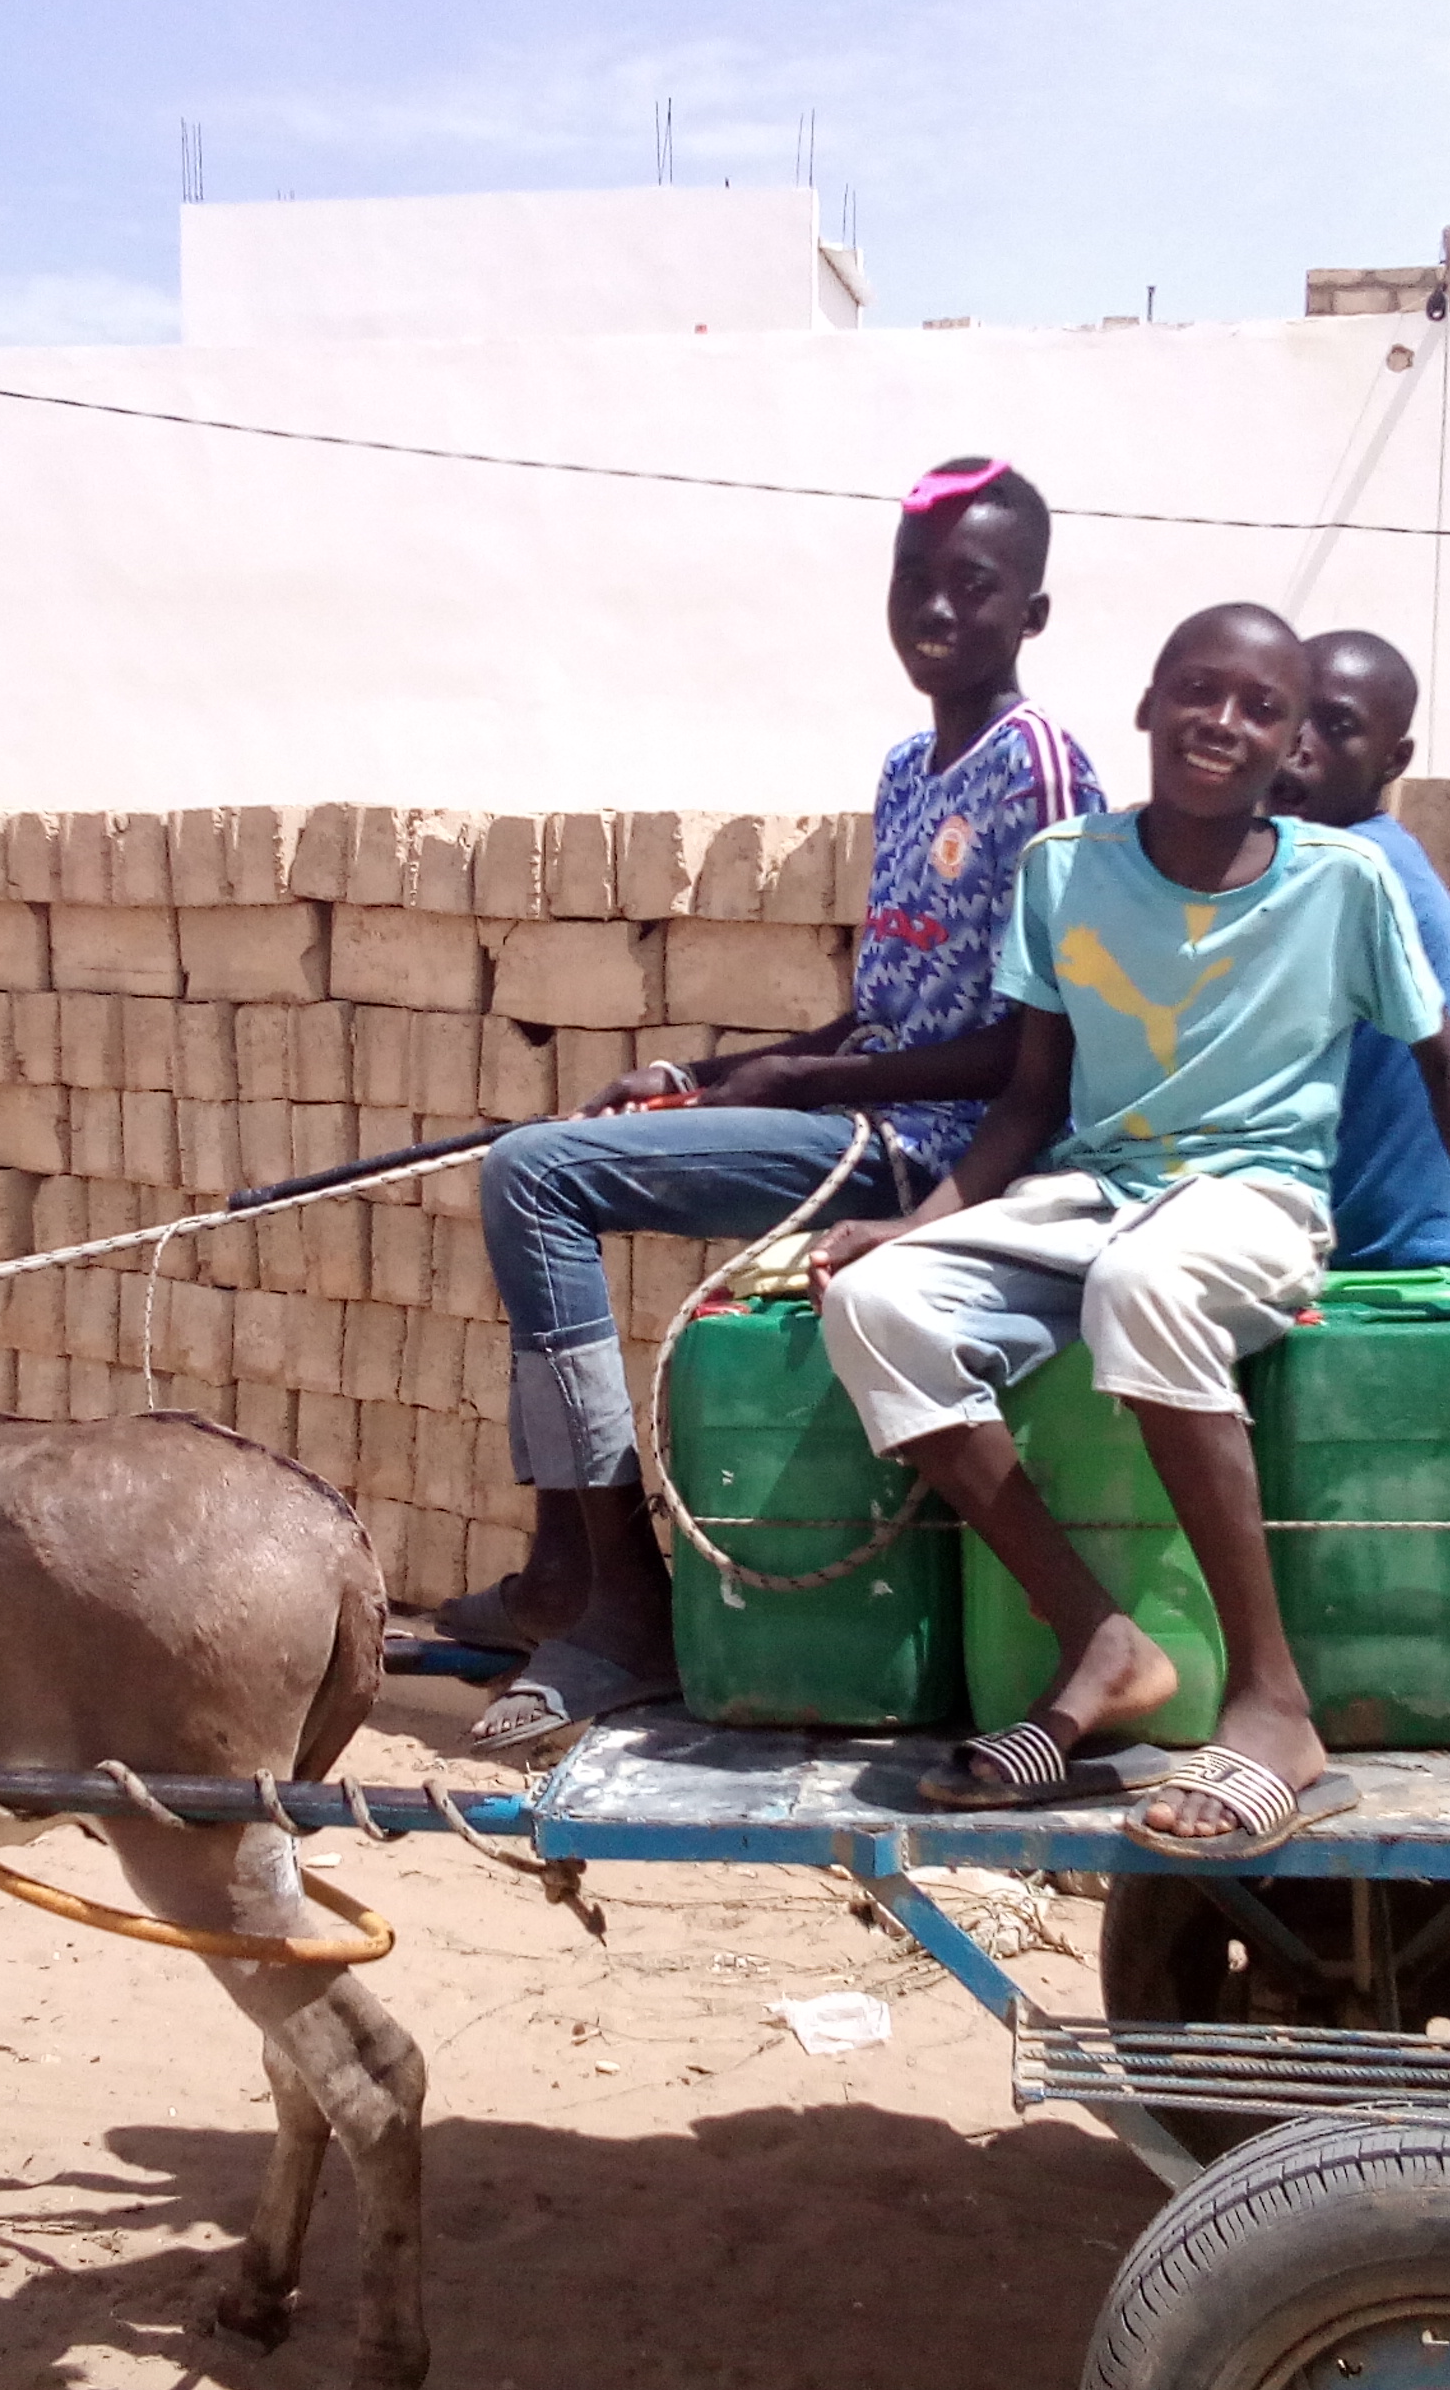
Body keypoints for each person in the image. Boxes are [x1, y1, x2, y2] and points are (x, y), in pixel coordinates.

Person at [808, 603, 1450, 1855]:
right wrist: (920, 1223)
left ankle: (1273, 1708)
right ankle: (1099, 1641)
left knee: (1144, 1286)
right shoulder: (1064, 868)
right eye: (1197, 692)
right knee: (875, 1308)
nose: (1223, 721)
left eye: (1260, 709)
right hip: (1097, 1190)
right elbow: (1033, 1098)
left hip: (1254, 1200)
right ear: (1149, 706)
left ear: (1286, 747)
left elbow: (1446, 1060)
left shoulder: (1344, 881)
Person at [455, 457, 1104, 1753]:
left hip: (941, 1160)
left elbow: (1031, 1054)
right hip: (867, 1113)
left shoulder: (1039, 767)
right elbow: (885, 1010)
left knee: (534, 1177)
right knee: (556, 1159)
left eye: (971, 588)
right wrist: (703, 1074)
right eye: (913, 582)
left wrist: (803, 1083)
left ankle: (622, 1602)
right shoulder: (910, 767)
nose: (935, 612)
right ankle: (563, 1576)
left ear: (1031, 614)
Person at [1264, 627, 1450, 1270]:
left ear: (1394, 761)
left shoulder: (1339, 871)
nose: (1298, 745)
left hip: (1375, 1251)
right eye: (1287, 712)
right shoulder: (1378, 854)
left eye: (1335, 726)